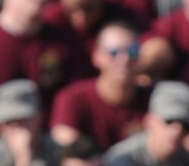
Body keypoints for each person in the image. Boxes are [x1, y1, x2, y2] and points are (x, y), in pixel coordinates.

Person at [50, 22, 149, 150]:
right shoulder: (72, 98)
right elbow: (65, 145)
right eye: (114, 52)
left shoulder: (154, 98)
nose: (124, 59)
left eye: (132, 51)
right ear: (97, 56)